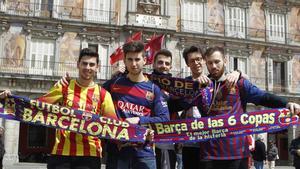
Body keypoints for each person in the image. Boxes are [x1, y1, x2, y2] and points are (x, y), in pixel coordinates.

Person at [198, 46, 300, 169]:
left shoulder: (240, 83)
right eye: (210, 63)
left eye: (217, 61)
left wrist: (286, 103)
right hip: (209, 154)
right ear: (206, 64)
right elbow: (180, 103)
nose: (213, 66)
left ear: (225, 61)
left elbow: (263, 97)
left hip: (237, 154)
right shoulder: (201, 87)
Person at [39, 48, 118, 169]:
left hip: (90, 155)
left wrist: (139, 133)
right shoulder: (64, 87)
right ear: (78, 65)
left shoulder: (103, 95)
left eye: (92, 64)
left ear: (97, 67)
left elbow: (114, 125)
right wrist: (9, 100)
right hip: (61, 153)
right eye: (84, 63)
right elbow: (38, 105)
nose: (88, 67)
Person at [103, 41, 170, 169]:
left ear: (144, 60)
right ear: (124, 61)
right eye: (130, 59)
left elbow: (164, 119)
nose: (134, 64)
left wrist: (139, 120)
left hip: (144, 153)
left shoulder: (153, 89)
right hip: (117, 152)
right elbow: (92, 97)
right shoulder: (113, 84)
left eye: (137, 59)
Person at [181, 46, 241, 169]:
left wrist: (238, 72)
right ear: (187, 64)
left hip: (211, 144)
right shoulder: (184, 84)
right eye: (192, 61)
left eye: (198, 59)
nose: (196, 63)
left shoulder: (214, 81)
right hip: (190, 143)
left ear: (204, 61)